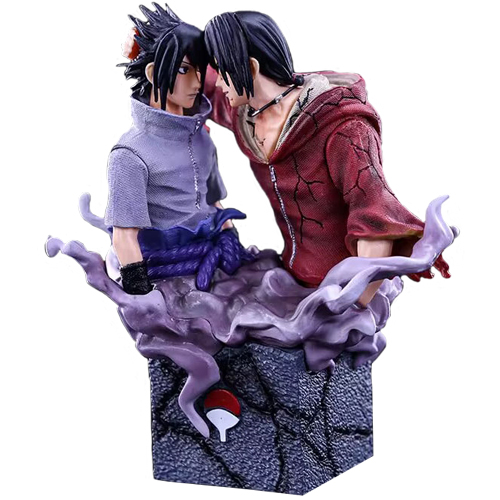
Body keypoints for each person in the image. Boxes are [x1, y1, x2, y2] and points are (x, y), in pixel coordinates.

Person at [201, 11, 449, 305]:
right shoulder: (246, 113)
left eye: (223, 71)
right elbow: (202, 81)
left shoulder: (344, 129)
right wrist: (158, 43)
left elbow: (374, 219)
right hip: (289, 279)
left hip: (339, 290)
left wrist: (354, 304)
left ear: (251, 67)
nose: (220, 83)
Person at [105, 4, 251, 295]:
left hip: (213, 261)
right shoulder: (129, 155)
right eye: (184, 70)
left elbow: (213, 202)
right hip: (164, 273)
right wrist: (139, 289)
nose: (197, 83)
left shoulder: (203, 139)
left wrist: (230, 239)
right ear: (152, 73)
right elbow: (124, 236)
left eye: (200, 70)